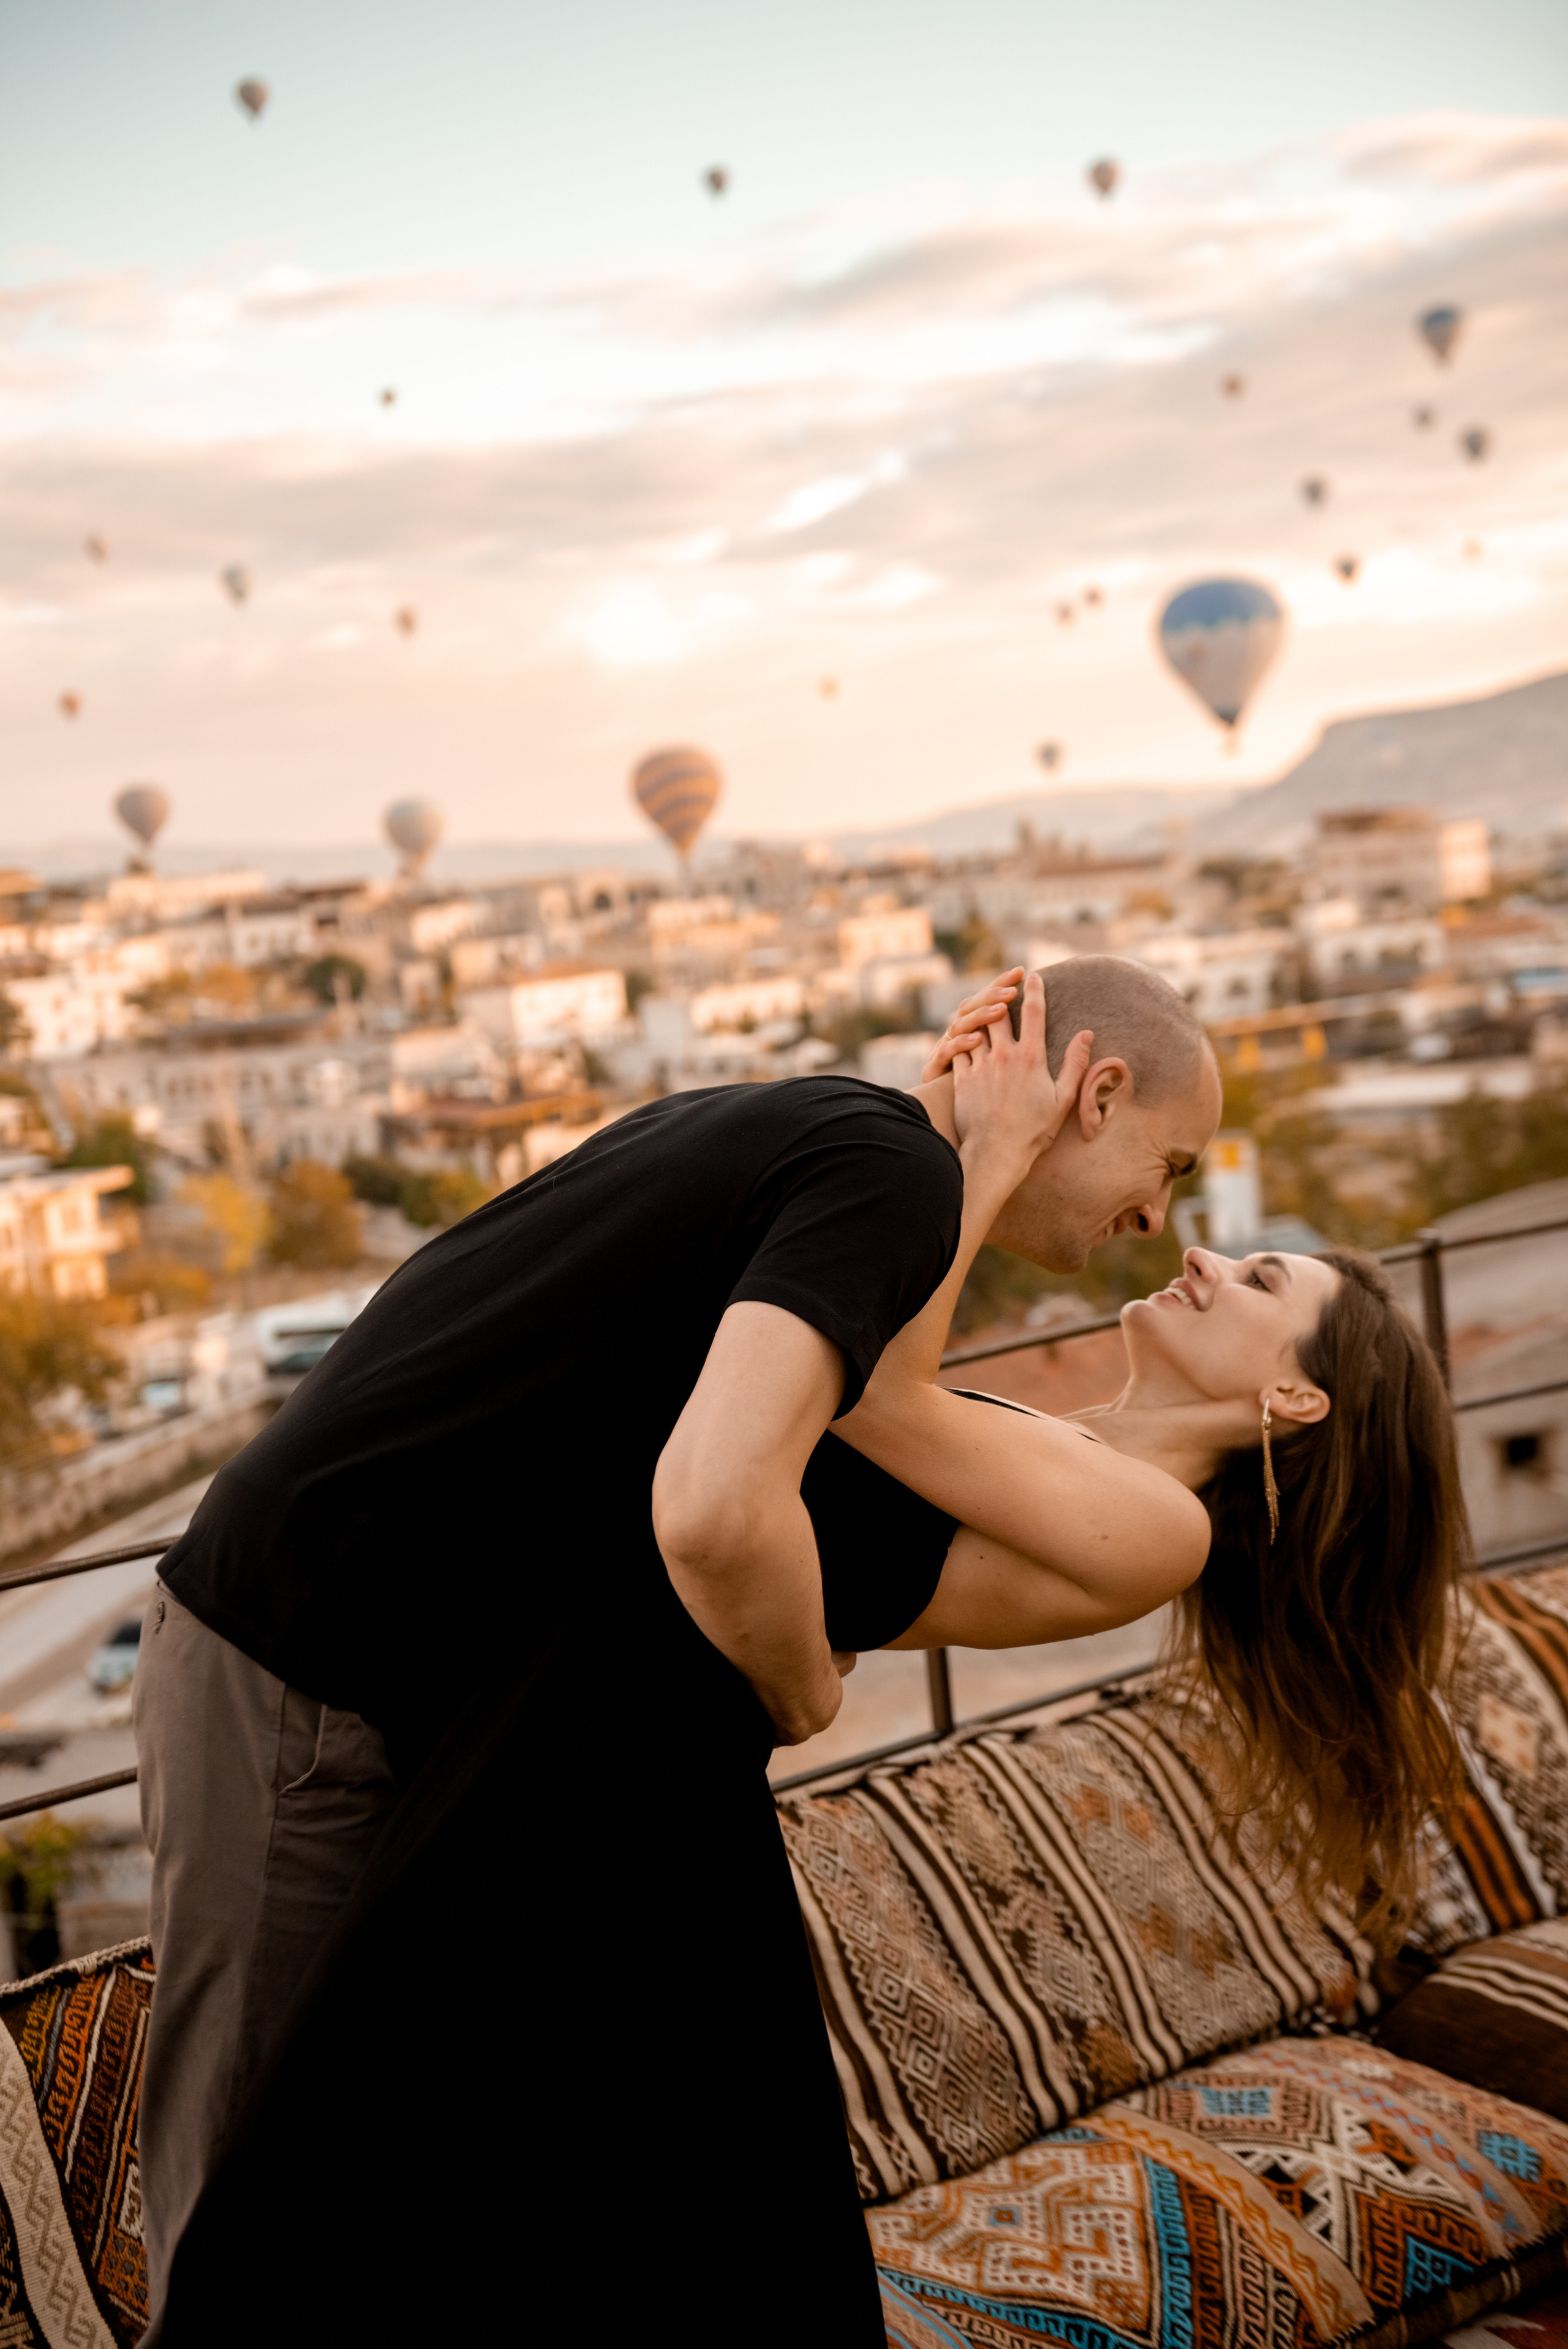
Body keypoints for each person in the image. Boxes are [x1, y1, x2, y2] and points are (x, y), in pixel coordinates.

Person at [136, 956, 1221, 2347]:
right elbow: (713, 1507)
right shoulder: (886, 1177)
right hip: (298, 1666)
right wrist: (802, 1687)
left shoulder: (813, 1131)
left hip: (384, 1685)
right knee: (251, 2223)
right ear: (1097, 1088)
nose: (1157, 1214)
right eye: (1169, 1165)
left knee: (362, 2205)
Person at [817, 971, 1466, 1940]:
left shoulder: (1163, 1531)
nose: (1202, 1254)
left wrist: (976, 1151)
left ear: (1294, 1397)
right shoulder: (1064, 1442)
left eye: (1261, 1279)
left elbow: (862, 1392)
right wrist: (945, 1119)